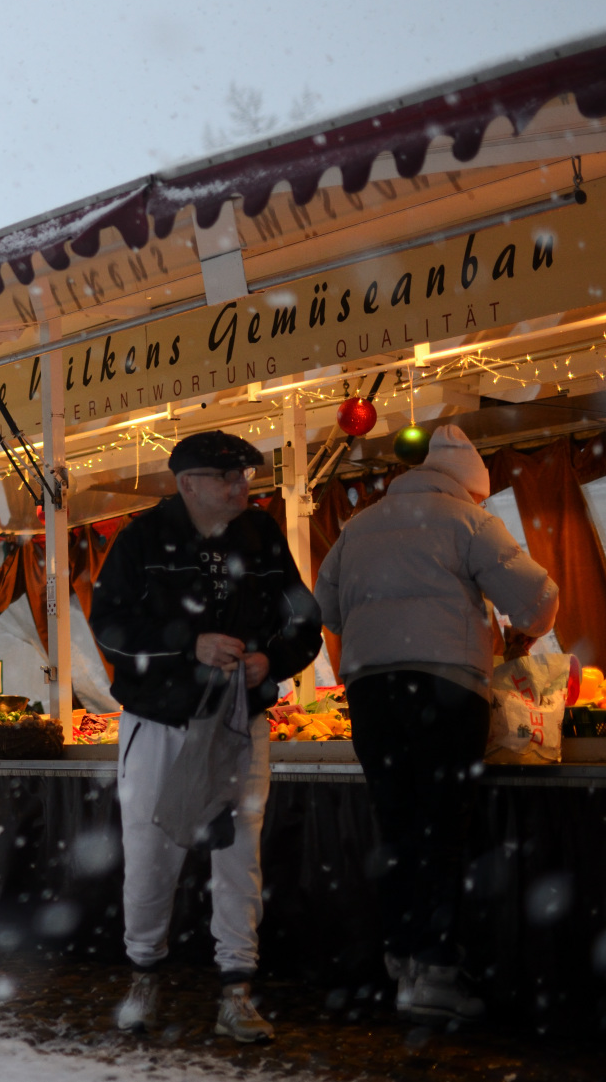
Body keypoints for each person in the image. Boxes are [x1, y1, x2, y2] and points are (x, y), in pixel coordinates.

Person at [315, 425, 557, 1024]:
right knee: (442, 828)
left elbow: (324, 610)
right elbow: (538, 596)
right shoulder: (469, 521)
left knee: (396, 826)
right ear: (470, 484)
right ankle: (436, 974)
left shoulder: (359, 526)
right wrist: (523, 631)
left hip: (371, 691)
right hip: (446, 689)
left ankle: (402, 962)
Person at [90, 430, 322, 1043]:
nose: (242, 486)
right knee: (150, 853)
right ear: (188, 484)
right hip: (158, 723)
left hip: (239, 723)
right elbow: (108, 625)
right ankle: (143, 976)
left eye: (244, 475)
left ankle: (236, 992)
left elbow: (305, 621)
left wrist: (272, 660)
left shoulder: (263, 534)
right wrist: (186, 645)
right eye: (228, 477)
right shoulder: (141, 538)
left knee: (240, 857)